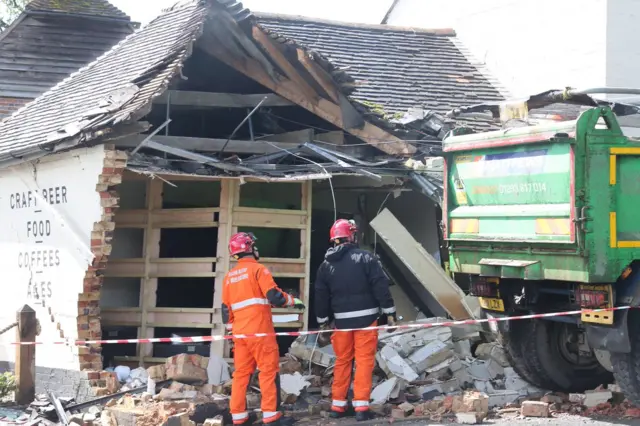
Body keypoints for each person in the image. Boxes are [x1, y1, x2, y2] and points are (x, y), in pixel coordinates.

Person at [314, 219, 396, 421]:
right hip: (367, 320)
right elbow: (380, 286)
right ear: (351, 236)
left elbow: (321, 295)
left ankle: (338, 406)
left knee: (342, 362)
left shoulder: (326, 265)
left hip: (341, 324)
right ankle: (361, 409)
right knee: (364, 362)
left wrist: (323, 321)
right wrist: (390, 312)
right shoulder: (366, 258)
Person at [222, 232, 304, 426]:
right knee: (268, 372)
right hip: (260, 332)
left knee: (241, 374)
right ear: (249, 248)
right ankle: (271, 416)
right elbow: (274, 297)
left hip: (240, 335)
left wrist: (230, 332)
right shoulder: (259, 270)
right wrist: (293, 300)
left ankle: (239, 417)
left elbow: (226, 310)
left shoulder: (229, 277)